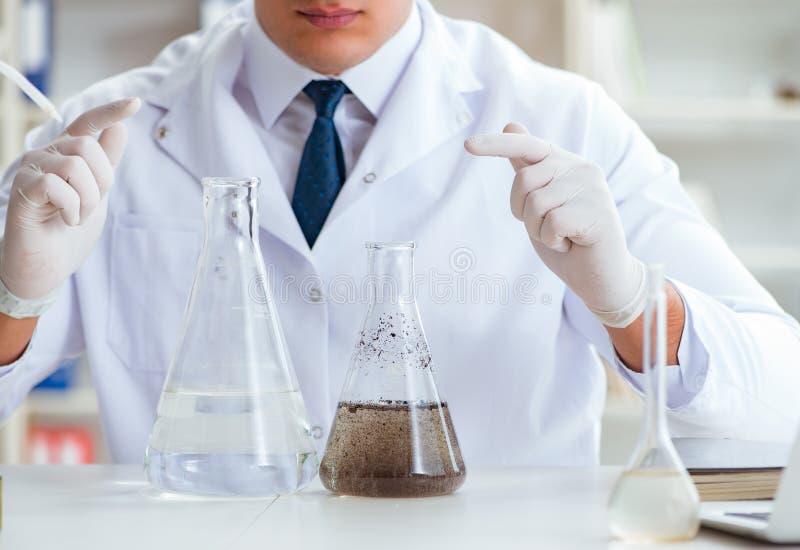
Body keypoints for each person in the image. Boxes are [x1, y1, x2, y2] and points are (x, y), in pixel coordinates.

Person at [1, 0, 798, 466]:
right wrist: (16, 294)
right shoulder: (104, 130)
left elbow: (779, 401)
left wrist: (628, 302)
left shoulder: (566, 118)